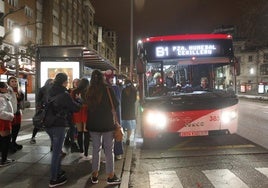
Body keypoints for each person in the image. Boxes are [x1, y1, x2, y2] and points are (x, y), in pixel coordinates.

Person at [45, 73, 82, 187]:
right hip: (58, 125)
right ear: (64, 82)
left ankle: (58, 171)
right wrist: (79, 100)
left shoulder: (49, 90)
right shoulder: (64, 94)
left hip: (47, 123)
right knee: (57, 153)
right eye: (67, 81)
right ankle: (54, 179)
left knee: (56, 150)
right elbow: (75, 108)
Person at [86, 69, 121, 185]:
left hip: (93, 124)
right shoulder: (108, 89)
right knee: (108, 150)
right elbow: (116, 104)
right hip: (107, 124)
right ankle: (110, 176)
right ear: (102, 78)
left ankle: (94, 175)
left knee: (95, 149)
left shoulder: (89, 90)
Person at [104, 70, 124, 160]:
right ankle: (117, 152)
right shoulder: (115, 88)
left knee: (107, 135)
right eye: (111, 77)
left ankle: (108, 153)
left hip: (105, 115)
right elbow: (118, 103)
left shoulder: (103, 88)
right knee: (116, 132)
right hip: (115, 114)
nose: (112, 79)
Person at [71, 78, 91, 157]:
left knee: (79, 132)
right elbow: (91, 103)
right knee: (86, 132)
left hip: (77, 112)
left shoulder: (74, 91)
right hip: (86, 112)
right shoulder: (89, 91)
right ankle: (86, 153)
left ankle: (81, 150)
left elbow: (71, 101)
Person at [30, 78, 53, 144]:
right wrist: (40, 107)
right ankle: (33, 137)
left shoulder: (51, 90)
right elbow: (38, 100)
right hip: (44, 109)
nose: (51, 84)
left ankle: (52, 143)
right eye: (51, 83)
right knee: (38, 124)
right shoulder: (42, 89)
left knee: (42, 124)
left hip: (48, 109)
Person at [7, 76, 24, 153]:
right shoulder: (7, 91)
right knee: (11, 129)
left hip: (17, 112)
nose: (14, 83)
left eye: (15, 81)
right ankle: (9, 144)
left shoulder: (19, 90)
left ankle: (13, 142)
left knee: (17, 128)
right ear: (9, 83)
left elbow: (20, 101)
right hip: (11, 113)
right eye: (12, 81)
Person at [0, 82, 15, 167]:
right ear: (1, 89)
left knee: (3, 140)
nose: (7, 88)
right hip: (3, 121)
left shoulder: (4, 96)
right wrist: (11, 115)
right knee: (5, 140)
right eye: (6, 87)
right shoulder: (1, 98)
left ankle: (3, 159)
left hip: (3, 120)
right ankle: (4, 160)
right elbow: (0, 112)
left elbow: (11, 93)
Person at [64, 78, 80, 149]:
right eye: (74, 82)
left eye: (77, 82)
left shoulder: (79, 91)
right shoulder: (70, 90)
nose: (75, 84)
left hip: (76, 110)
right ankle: (71, 142)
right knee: (72, 126)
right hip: (71, 111)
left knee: (73, 127)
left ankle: (67, 140)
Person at [121, 79, 137, 145]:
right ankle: (128, 139)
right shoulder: (134, 90)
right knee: (129, 126)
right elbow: (135, 100)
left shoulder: (123, 90)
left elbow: (121, 99)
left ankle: (123, 138)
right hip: (131, 110)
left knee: (123, 125)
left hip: (124, 110)